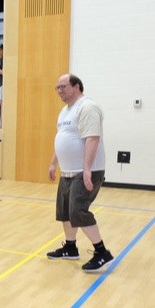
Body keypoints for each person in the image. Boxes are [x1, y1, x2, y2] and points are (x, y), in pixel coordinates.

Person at [46, 74, 113, 272]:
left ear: (76, 86)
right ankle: (70, 247)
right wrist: (53, 163)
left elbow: (92, 138)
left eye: (63, 86)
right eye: (57, 87)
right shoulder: (64, 111)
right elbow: (63, 138)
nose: (60, 91)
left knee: (78, 211)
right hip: (67, 171)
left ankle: (102, 252)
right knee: (65, 212)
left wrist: (86, 170)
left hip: (86, 171)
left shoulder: (87, 107)